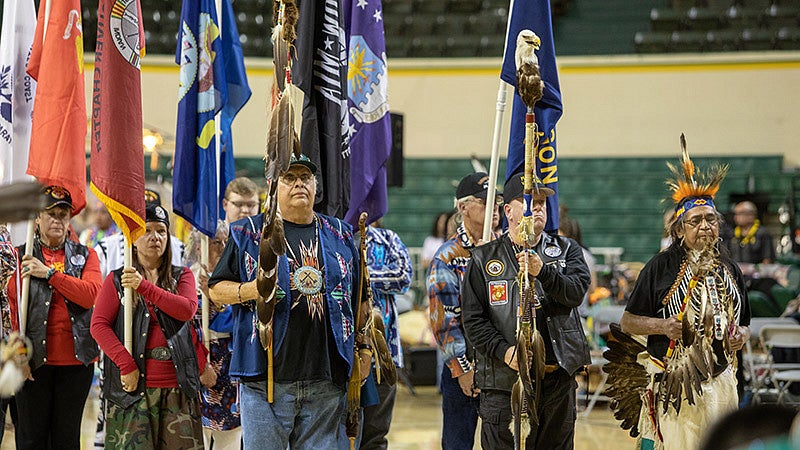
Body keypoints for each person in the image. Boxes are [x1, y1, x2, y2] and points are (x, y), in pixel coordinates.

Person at [208, 154, 362, 449]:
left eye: (306, 178)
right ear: (274, 187)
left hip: (326, 378)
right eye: (289, 178)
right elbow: (216, 289)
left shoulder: (339, 233)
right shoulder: (248, 232)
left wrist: (363, 350)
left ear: (316, 186)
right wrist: (253, 290)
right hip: (265, 378)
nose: (299, 184)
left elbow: (358, 298)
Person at [612, 152, 751, 450]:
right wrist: (663, 326)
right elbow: (628, 322)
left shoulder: (729, 267)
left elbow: (745, 324)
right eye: (695, 221)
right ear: (679, 229)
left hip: (723, 378)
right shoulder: (660, 266)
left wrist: (741, 335)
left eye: (711, 219)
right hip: (676, 385)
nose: (704, 226)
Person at [461, 173, 591, 449]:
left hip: (556, 381)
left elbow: (576, 293)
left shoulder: (567, 250)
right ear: (507, 210)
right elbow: (473, 320)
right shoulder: (484, 259)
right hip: (503, 382)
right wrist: (504, 351)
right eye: (529, 200)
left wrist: (543, 272)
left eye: (543, 201)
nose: (539, 206)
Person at [91, 204, 204, 448]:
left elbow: (186, 310)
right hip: (133, 390)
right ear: (133, 239)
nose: (155, 237)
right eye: (148, 231)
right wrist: (125, 363)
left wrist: (144, 287)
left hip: (178, 387)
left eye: (161, 231)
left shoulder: (182, 275)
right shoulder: (117, 279)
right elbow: (98, 326)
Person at [7, 186, 103, 450]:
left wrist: (49, 274)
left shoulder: (86, 255)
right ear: (37, 217)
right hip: (33, 364)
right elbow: (15, 311)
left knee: (66, 439)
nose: (57, 220)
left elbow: (90, 295)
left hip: (76, 365)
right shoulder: (21, 254)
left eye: (63, 214)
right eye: (51, 213)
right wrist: (19, 357)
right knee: (31, 439)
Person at [427, 172, 501, 450]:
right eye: (486, 203)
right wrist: (462, 369)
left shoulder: (508, 250)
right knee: (458, 442)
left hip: (503, 361)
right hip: (466, 363)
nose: (494, 208)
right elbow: (442, 318)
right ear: (463, 208)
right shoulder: (447, 256)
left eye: (497, 202)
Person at [359, 221, 412, 450]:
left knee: (376, 434)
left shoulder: (388, 239)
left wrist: (362, 275)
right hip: (342, 356)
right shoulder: (331, 236)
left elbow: (404, 276)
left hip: (383, 357)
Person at [95, 188, 184, 278]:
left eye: (151, 212)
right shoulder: (106, 247)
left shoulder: (179, 247)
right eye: (146, 230)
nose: (154, 237)